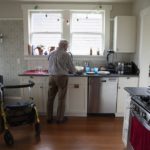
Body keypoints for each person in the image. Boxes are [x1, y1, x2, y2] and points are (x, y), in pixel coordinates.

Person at [47, 39, 76, 124]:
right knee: (61, 98)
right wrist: (76, 72)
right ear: (64, 46)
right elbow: (71, 67)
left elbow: (49, 63)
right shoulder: (65, 54)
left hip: (51, 76)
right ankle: (59, 119)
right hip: (61, 77)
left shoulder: (51, 53)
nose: (67, 48)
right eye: (67, 46)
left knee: (50, 98)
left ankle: (49, 118)